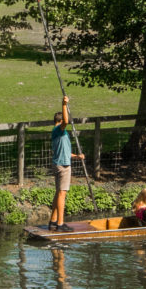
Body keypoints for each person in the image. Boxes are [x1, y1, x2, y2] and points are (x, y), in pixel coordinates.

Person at [49, 96, 78, 229]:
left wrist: (77, 156)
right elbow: (67, 120)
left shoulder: (58, 133)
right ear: (59, 122)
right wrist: (64, 104)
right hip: (63, 166)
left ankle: (53, 220)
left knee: (58, 193)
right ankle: (60, 223)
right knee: (62, 193)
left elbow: (64, 151)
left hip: (59, 163)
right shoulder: (58, 130)